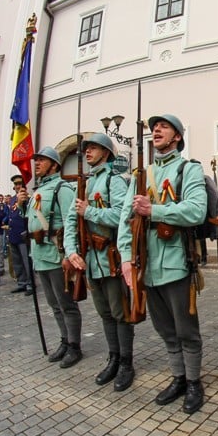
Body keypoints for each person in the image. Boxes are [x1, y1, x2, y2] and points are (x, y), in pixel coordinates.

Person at [119, 114, 208, 414]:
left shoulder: (189, 169)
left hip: (177, 262)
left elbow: (196, 211)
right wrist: (125, 258)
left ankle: (194, 382)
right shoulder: (141, 175)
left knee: (186, 330)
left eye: (164, 126)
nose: (156, 130)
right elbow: (125, 219)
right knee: (164, 329)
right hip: (147, 265)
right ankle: (179, 377)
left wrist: (153, 210)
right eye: (154, 127)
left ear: (178, 137)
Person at [66, 133, 135, 389]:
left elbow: (122, 216)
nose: (87, 152)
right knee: (105, 314)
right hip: (91, 261)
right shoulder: (84, 183)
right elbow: (72, 219)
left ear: (105, 152)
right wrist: (71, 251)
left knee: (120, 313)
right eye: (87, 149)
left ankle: (126, 363)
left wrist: (90, 211)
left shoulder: (114, 180)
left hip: (111, 258)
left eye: (93, 148)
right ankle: (113, 358)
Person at [19, 147, 83, 368]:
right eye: (36, 160)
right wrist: (21, 205)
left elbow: (70, 223)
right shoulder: (39, 190)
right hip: (39, 254)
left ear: (54, 165)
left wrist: (68, 254)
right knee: (54, 303)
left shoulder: (62, 189)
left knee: (66, 304)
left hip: (57, 255)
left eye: (42, 160)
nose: (36, 163)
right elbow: (34, 220)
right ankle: (65, 341)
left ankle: (74, 346)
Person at [8, 176, 33, 295]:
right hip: (13, 234)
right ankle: (21, 282)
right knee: (17, 261)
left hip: (23, 234)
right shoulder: (13, 199)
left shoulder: (27, 198)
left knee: (26, 261)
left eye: (19, 184)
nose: (17, 186)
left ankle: (30, 284)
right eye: (15, 184)